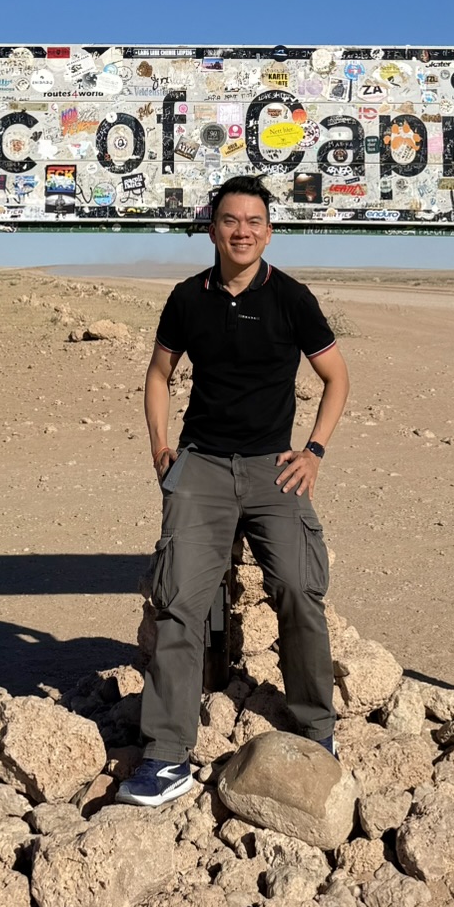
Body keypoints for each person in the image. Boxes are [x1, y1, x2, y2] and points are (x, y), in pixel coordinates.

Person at [116, 175, 351, 807]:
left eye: (253, 221)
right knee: (179, 602)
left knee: (300, 589)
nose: (241, 230)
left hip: (275, 471)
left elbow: (336, 377)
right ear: (213, 227)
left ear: (268, 231)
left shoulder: (292, 299)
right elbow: (159, 373)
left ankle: (314, 730)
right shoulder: (187, 299)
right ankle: (166, 755)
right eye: (229, 220)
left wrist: (315, 451)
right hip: (202, 468)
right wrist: (161, 449)